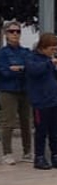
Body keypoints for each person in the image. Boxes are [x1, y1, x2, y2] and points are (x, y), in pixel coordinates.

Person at [25, 33, 57, 170]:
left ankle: (56, 155)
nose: (54, 52)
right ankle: (39, 157)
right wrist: (49, 63)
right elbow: (34, 71)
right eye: (52, 49)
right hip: (40, 101)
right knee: (41, 130)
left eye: (56, 49)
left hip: (54, 100)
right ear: (43, 47)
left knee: (56, 130)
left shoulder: (51, 60)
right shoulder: (32, 58)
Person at [0, 21, 33, 165]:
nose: (15, 34)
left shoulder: (26, 52)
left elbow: (31, 68)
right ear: (6, 34)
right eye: (11, 31)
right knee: (8, 122)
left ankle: (27, 152)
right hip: (8, 90)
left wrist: (17, 69)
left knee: (27, 121)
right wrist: (20, 69)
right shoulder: (2, 53)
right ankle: (7, 152)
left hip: (25, 89)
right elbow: (4, 72)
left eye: (17, 31)